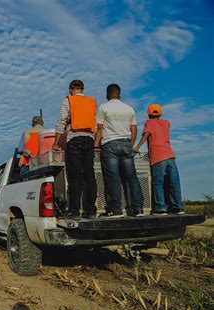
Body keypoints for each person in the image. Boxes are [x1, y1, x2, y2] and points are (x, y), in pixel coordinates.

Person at [94, 84, 144, 218]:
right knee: (131, 177)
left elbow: (99, 129)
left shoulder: (103, 107)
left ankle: (116, 210)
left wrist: (95, 146)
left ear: (107, 94)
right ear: (119, 94)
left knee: (112, 178)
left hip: (110, 145)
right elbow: (134, 130)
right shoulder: (129, 109)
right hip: (126, 143)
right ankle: (138, 209)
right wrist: (130, 145)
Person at [52, 79, 97, 219]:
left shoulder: (68, 101)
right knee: (89, 176)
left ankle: (74, 211)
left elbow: (61, 121)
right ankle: (91, 211)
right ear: (82, 89)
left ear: (71, 89)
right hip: (89, 140)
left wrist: (56, 142)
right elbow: (95, 123)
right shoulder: (92, 102)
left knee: (74, 177)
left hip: (74, 140)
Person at [134, 104, 185, 215]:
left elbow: (147, 134)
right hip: (170, 155)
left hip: (158, 156)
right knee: (174, 182)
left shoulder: (149, 122)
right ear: (160, 114)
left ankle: (161, 208)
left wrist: (137, 147)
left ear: (148, 114)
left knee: (158, 183)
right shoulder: (166, 123)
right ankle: (178, 207)